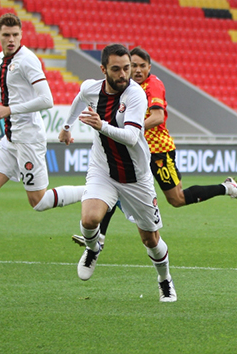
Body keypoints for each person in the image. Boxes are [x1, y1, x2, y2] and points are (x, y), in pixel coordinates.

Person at [72, 47, 237, 247]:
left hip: (158, 150)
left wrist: (132, 129)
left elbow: (156, 117)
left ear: (149, 67)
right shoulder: (123, 90)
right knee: (113, 180)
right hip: (133, 152)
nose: (137, 71)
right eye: (134, 66)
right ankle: (99, 235)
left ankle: (226, 188)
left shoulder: (152, 85)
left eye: (141, 66)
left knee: (177, 198)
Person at [0, 13, 84, 272]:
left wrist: (10, 110)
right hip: (11, 138)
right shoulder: (3, 59)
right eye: (6, 35)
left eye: (15, 35)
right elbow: (7, 91)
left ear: (21, 35)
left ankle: (93, 191)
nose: (10, 40)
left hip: (29, 140)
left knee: (39, 202)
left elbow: (47, 99)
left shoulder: (27, 60)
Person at [58, 44, 176, 302]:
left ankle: (164, 279)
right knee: (89, 220)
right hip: (103, 170)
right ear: (104, 70)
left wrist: (102, 125)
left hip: (136, 177)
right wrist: (67, 126)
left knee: (151, 240)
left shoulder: (135, 95)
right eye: (117, 69)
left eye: (127, 68)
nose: (125, 74)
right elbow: (80, 97)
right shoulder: (92, 88)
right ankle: (92, 248)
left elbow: (133, 137)